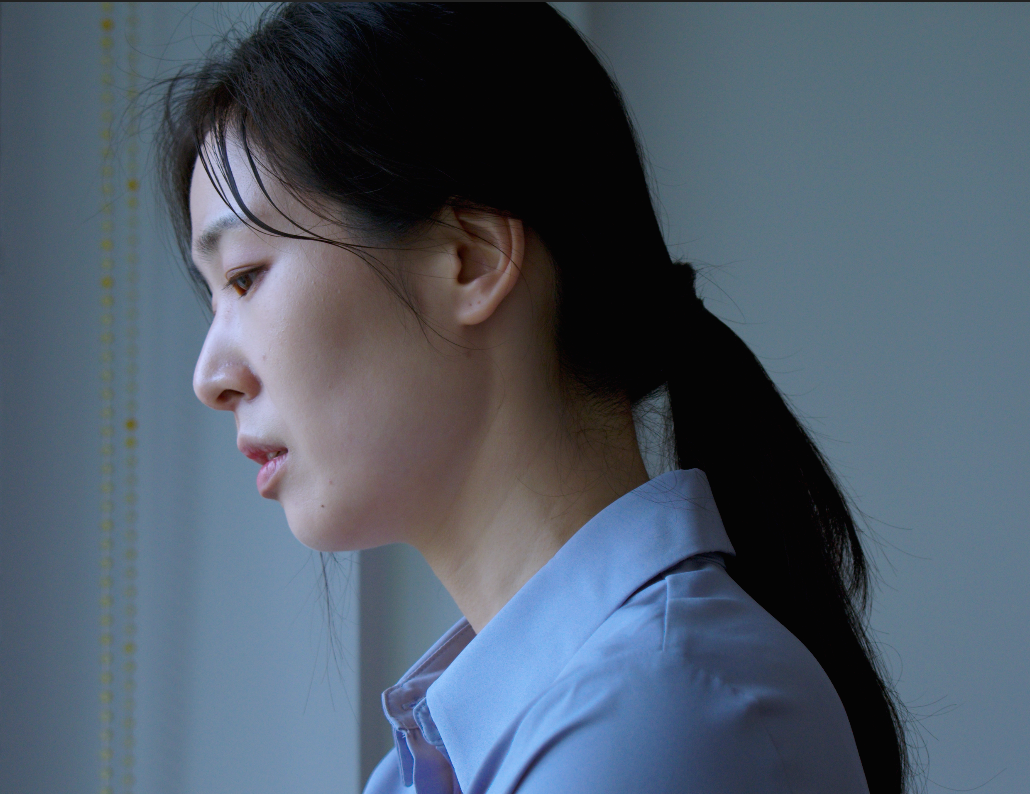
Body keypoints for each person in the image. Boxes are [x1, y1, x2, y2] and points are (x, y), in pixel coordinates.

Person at [157, 4, 909, 793]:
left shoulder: (662, 716)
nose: (211, 377)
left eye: (245, 276)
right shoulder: (464, 752)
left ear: (470, 259)